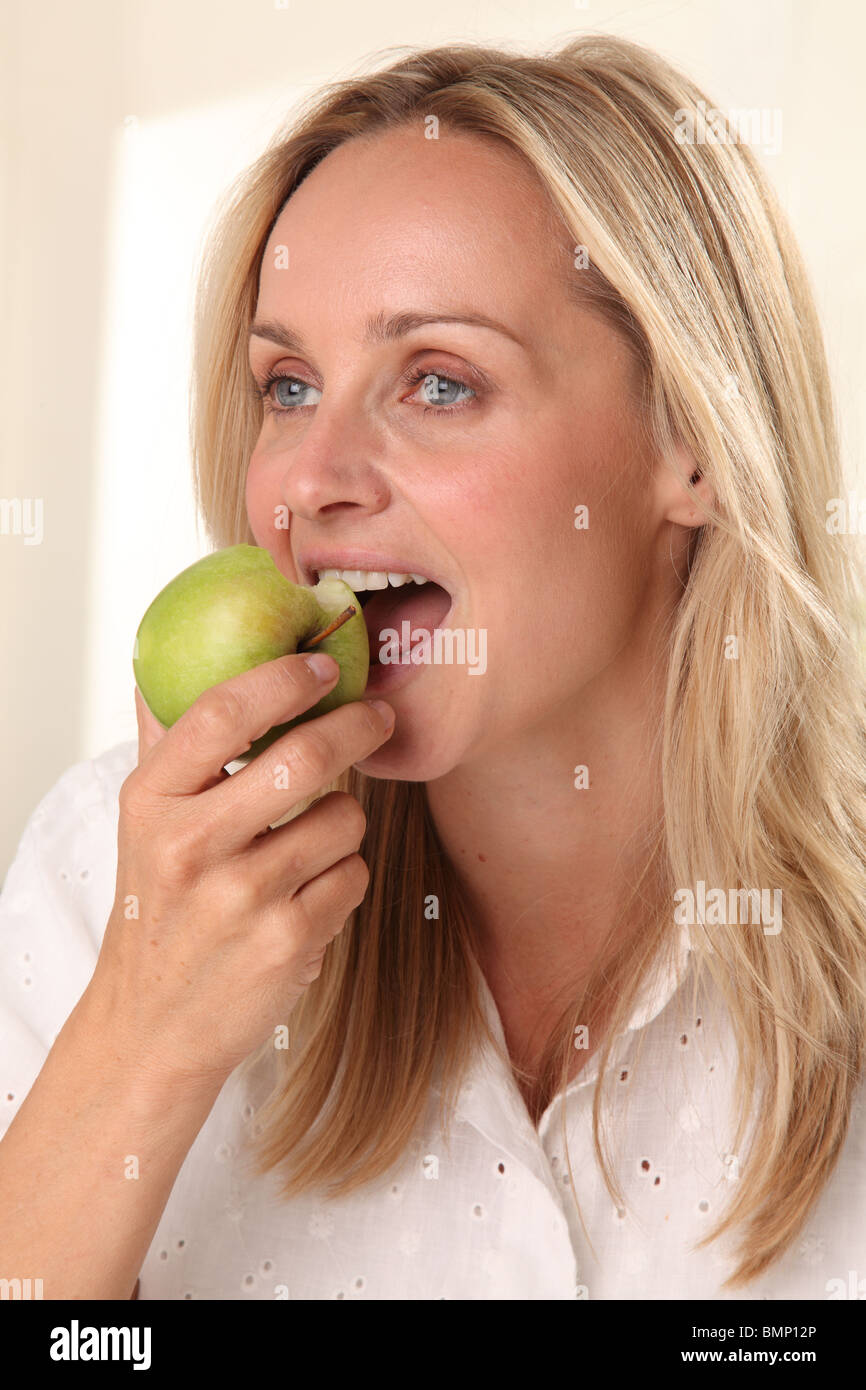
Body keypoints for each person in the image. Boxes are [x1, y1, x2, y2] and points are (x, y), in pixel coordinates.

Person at [1, 34, 865, 1301]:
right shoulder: (115, 876)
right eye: (287, 385)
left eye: (439, 382)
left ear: (687, 437)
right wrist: (144, 1038)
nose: (306, 476)